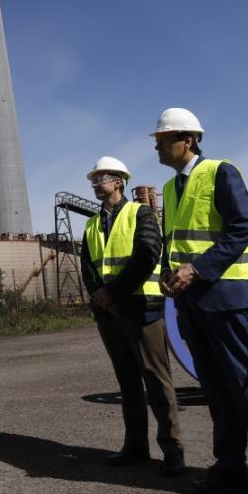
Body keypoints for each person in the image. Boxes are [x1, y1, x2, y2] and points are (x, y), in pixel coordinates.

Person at [151, 108, 248, 494]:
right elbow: (175, 240)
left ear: (189, 140)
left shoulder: (220, 172)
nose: (156, 145)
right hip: (192, 301)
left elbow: (240, 228)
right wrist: (168, 273)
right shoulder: (172, 186)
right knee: (216, 389)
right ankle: (230, 466)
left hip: (226, 296)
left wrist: (197, 269)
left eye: (163, 138)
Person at [79, 155, 185, 476]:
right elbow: (88, 268)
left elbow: (147, 254)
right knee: (127, 382)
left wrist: (112, 293)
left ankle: (173, 450)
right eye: (94, 179)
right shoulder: (91, 224)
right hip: (109, 315)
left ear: (120, 182)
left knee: (156, 380)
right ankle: (136, 446)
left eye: (103, 178)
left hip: (142, 309)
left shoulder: (141, 213)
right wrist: (100, 297)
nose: (97, 183)